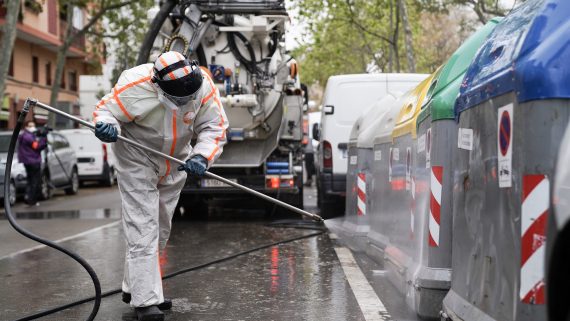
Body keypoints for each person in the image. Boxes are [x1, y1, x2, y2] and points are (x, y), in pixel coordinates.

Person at [93, 51, 228, 321]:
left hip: (175, 160)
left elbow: (214, 126)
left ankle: (136, 288)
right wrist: (106, 126)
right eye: (182, 99)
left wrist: (202, 155)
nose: (189, 102)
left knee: (161, 227)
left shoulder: (202, 86)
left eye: (191, 96)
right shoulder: (134, 85)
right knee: (143, 227)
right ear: (158, 87)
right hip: (137, 158)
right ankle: (145, 302)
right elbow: (105, 111)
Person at [17, 121, 48, 206]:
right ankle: (31, 199)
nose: (33, 128)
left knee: (30, 180)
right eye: (30, 126)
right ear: (26, 127)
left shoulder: (25, 135)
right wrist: (44, 137)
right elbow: (37, 146)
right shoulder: (28, 136)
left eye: (34, 126)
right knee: (34, 181)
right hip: (33, 161)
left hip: (28, 161)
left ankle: (28, 197)